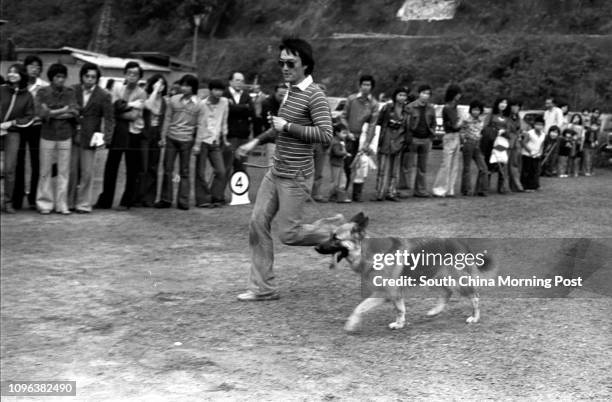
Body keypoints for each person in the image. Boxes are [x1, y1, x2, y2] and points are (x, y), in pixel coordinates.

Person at [235, 37, 343, 301]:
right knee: (257, 224)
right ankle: (263, 288)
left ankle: (339, 233)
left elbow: (326, 134)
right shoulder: (291, 91)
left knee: (289, 234)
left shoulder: (314, 95)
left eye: (290, 63)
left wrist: (287, 127)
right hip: (276, 171)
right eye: (281, 62)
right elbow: (279, 128)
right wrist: (254, 142)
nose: (284, 67)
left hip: (296, 175)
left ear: (305, 65)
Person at [95, 61, 146, 210]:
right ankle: (105, 200)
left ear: (139, 77)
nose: (131, 76)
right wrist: (129, 106)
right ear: (124, 74)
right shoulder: (118, 88)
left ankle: (126, 201)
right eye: (129, 73)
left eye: (135, 74)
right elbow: (112, 110)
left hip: (133, 133)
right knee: (111, 166)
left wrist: (120, 110)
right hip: (118, 132)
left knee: (132, 168)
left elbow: (133, 116)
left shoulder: (141, 92)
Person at [68, 62, 114, 213]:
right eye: (87, 76)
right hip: (72, 134)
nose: (89, 79)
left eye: (93, 77)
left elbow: (109, 118)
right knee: (72, 171)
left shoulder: (104, 95)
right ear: (82, 76)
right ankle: (69, 202)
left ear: (97, 79)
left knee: (87, 172)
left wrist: (106, 139)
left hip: (90, 137)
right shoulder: (73, 90)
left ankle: (83, 204)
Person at [35, 63, 79, 214]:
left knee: (64, 170)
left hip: (65, 135)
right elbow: (40, 113)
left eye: (62, 77)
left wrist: (52, 112)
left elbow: (74, 111)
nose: (60, 80)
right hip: (47, 134)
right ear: (51, 78)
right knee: (45, 170)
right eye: (57, 77)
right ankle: (44, 203)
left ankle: (62, 204)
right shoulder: (42, 92)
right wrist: (62, 110)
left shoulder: (70, 92)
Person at [155, 74, 201, 210]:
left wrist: (197, 144)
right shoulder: (173, 100)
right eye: (183, 85)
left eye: (187, 85)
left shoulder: (199, 104)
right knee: (167, 170)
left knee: (184, 171)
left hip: (187, 140)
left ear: (193, 88)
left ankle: (183, 200)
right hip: (171, 138)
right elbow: (167, 119)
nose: (184, 88)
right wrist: (163, 137)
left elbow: (201, 125)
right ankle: (165, 199)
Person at [13, 55, 48, 210]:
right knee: (18, 161)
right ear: (25, 68)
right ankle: (17, 197)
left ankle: (34, 198)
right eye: (32, 66)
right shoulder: (19, 85)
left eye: (38, 67)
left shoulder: (44, 86)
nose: (35, 69)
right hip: (20, 127)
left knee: (37, 162)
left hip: (37, 127)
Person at [1, 63, 35, 214]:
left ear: (22, 75)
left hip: (13, 133)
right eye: (10, 72)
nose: (12, 74)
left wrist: (12, 123)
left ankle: (8, 202)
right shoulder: (1, 89)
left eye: (15, 72)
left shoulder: (27, 96)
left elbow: (29, 117)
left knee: (9, 169)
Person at [341, 74, 378, 202]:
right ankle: (343, 192)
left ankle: (357, 194)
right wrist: (347, 131)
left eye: (368, 85)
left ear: (372, 87)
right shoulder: (351, 99)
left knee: (362, 166)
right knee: (347, 165)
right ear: (360, 85)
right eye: (364, 84)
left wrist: (367, 142)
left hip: (363, 139)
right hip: (349, 137)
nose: (366, 87)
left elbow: (372, 124)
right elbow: (343, 116)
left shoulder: (373, 104)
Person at [194, 79, 228, 208]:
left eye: (220, 90)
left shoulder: (224, 103)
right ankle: (203, 199)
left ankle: (215, 196)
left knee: (221, 171)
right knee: (200, 172)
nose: (218, 93)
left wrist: (224, 138)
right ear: (211, 90)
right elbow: (199, 124)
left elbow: (224, 121)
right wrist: (197, 144)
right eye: (216, 90)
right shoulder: (202, 104)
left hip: (215, 141)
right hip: (202, 140)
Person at [373, 87, 410, 201]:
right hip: (386, 138)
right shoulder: (387, 108)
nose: (402, 97)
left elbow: (407, 127)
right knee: (382, 168)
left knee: (394, 170)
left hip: (399, 140)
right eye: (400, 95)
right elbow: (378, 122)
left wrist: (405, 141)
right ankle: (380, 192)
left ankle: (391, 192)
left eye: (404, 95)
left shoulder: (407, 110)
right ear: (395, 96)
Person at [139, 74, 167, 207]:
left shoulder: (165, 102)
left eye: (162, 84)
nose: (159, 86)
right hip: (145, 133)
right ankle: (138, 196)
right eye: (157, 83)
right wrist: (154, 91)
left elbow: (164, 119)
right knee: (142, 166)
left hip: (156, 134)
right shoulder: (147, 96)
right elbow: (149, 106)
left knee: (153, 167)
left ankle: (149, 198)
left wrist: (162, 137)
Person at [405, 84, 436, 197]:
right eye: (423, 93)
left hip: (425, 139)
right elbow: (406, 124)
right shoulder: (410, 107)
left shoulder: (431, 108)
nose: (425, 95)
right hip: (413, 138)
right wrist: (408, 137)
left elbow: (433, 123)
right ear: (419, 94)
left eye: (427, 93)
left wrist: (431, 136)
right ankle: (405, 190)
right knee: (408, 166)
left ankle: (420, 190)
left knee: (422, 167)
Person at [432, 84, 463, 198]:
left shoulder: (454, 107)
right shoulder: (448, 108)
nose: (459, 96)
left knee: (453, 164)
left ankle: (449, 189)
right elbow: (455, 125)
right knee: (447, 164)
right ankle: (440, 189)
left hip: (454, 135)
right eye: (457, 93)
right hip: (450, 135)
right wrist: (460, 122)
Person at [222, 71, 254, 180]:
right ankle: (218, 195)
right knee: (225, 167)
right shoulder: (224, 94)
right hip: (229, 136)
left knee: (241, 168)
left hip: (244, 136)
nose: (240, 83)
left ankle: (239, 196)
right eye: (237, 80)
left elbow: (251, 111)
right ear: (230, 81)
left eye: (242, 80)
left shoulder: (246, 95)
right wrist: (243, 107)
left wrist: (235, 107)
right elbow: (228, 110)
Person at [482, 98, 511, 193]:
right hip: (490, 142)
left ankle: (501, 187)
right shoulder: (491, 115)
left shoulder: (507, 117)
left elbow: (509, 130)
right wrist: (494, 131)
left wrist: (504, 131)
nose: (503, 104)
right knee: (488, 162)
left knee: (501, 162)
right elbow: (485, 127)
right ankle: (485, 187)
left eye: (505, 103)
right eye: (502, 102)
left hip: (501, 142)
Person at [460, 101, 488, 196]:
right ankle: (466, 189)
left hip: (477, 144)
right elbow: (462, 131)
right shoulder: (466, 119)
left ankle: (481, 189)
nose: (476, 112)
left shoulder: (481, 120)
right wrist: (463, 142)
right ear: (471, 110)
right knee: (467, 167)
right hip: (468, 143)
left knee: (483, 167)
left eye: (478, 110)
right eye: (474, 109)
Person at [260, 83, 288, 166]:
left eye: (285, 95)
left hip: (286, 138)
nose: (283, 98)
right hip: (272, 138)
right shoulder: (267, 103)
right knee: (271, 164)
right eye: (280, 95)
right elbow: (271, 123)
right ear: (275, 93)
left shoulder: (288, 102)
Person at [327, 119, 351, 202]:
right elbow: (337, 152)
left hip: (340, 164)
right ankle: (331, 195)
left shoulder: (340, 141)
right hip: (335, 164)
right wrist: (344, 153)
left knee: (342, 179)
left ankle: (340, 196)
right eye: (343, 133)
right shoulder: (336, 142)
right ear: (337, 133)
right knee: (335, 180)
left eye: (345, 133)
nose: (345, 135)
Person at [520, 115, 546, 191]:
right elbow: (523, 143)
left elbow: (542, 145)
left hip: (537, 155)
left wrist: (540, 152)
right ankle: (525, 186)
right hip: (527, 155)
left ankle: (534, 186)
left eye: (541, 125)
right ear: (534, 125)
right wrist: (530, 151)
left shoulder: (543, 135)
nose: (539, 126)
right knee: (526, 171)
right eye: (537, 124)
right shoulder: (529, 133)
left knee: (534, 171)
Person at [507, 99, 524, 192]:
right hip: (506, 143)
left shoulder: (518, 117)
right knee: (505, 164)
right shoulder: (507, 117)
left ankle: (516, 185)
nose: (516, 108)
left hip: (516, 143)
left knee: (515, 163)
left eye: (517, 106)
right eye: (514, 105)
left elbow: (519, 129)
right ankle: (509, 185)